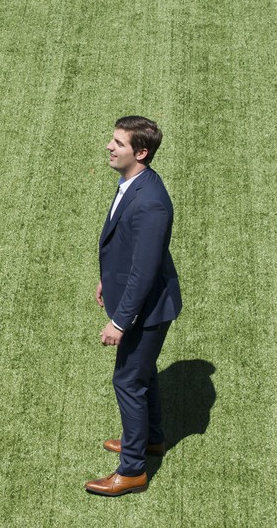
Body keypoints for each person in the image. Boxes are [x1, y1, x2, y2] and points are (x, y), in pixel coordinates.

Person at [85, 116, 182, 497]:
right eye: (111, 139)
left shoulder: (151, 203)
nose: (109, 147)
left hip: (147, 310)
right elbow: (129, 248)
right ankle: (150, 440)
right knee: (142, 376)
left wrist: (120, 322)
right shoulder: (133, 182)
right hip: (142, 301)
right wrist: (107, 279)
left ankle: (132, 471)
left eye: (118, 143)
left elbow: (144, 271)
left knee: (127, 380)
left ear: (140, 153)